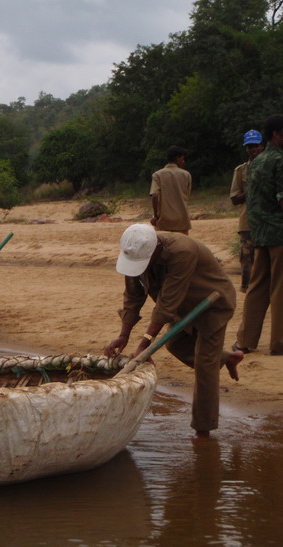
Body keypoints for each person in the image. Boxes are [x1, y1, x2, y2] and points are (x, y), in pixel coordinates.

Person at [103, 224, 244, 438]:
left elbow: (166, 305)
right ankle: (228, 358)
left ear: (156, 249)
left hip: (211, 304)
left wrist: (143, 347)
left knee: (205, 365)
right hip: (182, 308)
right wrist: (123, 335)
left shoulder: (182, 251)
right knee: (176, 345)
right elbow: (133, 297)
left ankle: (203, 431)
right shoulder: (135, 250)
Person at [234, 114, 283, 356]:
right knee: (279, 288)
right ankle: (279, 343)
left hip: (259, 233)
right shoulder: (280, 161)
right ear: (276, 134)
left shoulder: (256, 163)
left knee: (257, 286)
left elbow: (250, 201)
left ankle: (245, 341)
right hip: (279, 234)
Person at [229, 129, 265, 292]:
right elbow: (235, 199)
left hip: (268, 222)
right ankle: (248, 289)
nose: (253, 149)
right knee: (247, 261)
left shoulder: (273, 165)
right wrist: (251, 190)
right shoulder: (240, 171)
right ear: (246, 149)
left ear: (262, 146)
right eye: (250, 146)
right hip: (247, 223)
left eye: (255, 146)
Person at [150, 146, 192, 234]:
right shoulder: (186, 175)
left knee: (165, 246)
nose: (183, 161)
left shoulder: (157, 175)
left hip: (164, 221)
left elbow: (154, 195)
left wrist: (156, 215)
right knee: (182, 246)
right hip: (182, 219)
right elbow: (187, 196)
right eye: (182, 159)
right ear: (178, 158)